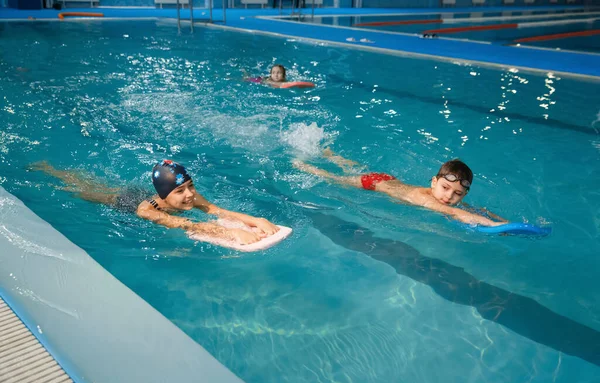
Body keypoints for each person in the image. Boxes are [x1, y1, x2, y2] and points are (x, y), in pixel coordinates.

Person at [30, 160, 280, 244]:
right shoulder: (149, 212)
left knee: (95, 182)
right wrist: (231, 233)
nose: (190, 195)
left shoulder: (191, 195)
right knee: (84, 190)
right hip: (123, 202)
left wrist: (254, 220)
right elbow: (184, 225)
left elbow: (216, 210)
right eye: (181, 191)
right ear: (164, 194)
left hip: (144, 192)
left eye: (190, 186)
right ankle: (51, 172)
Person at [294, 149, 507, 227]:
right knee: (334, 178)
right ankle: (305, 166)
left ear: (464, 194)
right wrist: (493, 226)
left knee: (351, 168)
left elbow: (474, 210)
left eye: (457, 194)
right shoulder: (429, 200)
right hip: (373, 184)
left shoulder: (444, 196)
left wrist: (504, 222)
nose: (449, 196)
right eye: (444, 188)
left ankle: (332, 154)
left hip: (389, 178)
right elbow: (456, 212)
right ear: (433, 182)